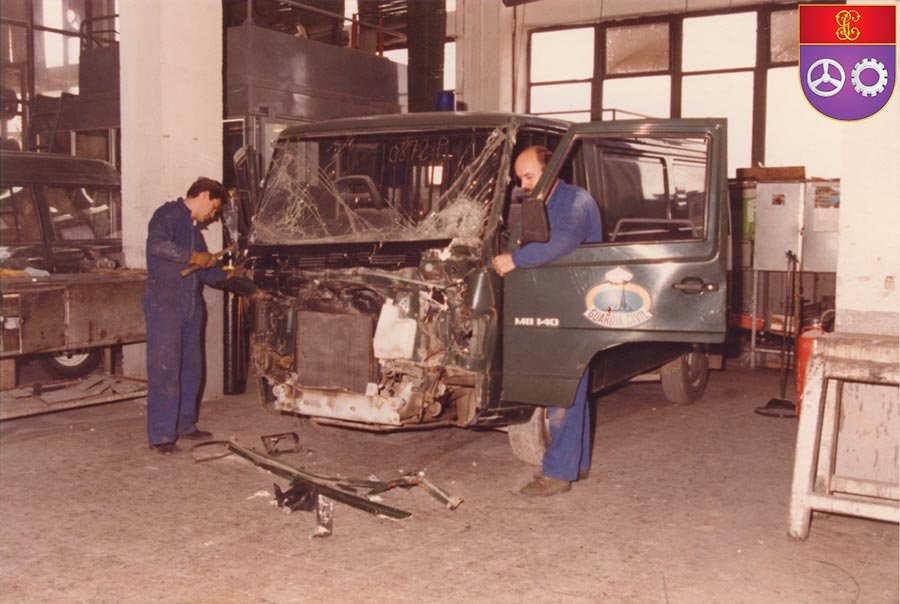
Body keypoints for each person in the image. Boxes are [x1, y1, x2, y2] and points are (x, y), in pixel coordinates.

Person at [492, 146, 603, 496]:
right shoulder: (540, 202)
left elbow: (562, 242)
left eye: (529, 176)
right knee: (571, 389)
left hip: (576, 303)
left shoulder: (576, 201)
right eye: (520, 179)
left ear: (552, 169)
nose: (524, 185)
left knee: (562, 389)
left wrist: (515, 259)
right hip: (557, 302)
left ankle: (557, 473)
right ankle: (576, 463)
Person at [143, 177, 228, 454]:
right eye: (213, 208)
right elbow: (157, 246)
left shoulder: (195, 231)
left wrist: (237, 278)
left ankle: (185, 425)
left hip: (191, 305)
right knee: (165, 370)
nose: (212, 217)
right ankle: (162, 436)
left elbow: (208, 272)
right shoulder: (168, 215)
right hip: (165, 304)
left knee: (191, 369)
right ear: (203, 195)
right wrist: (193, 257)